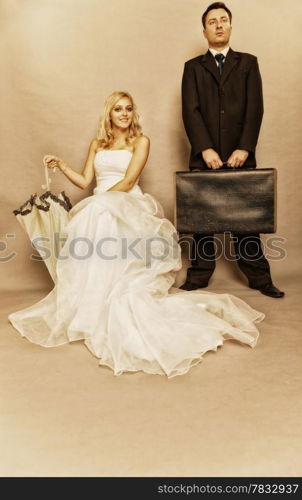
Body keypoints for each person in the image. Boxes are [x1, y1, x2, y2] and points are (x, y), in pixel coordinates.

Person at [8, 91, 265, 378]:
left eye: (128, 109)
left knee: (98, 213)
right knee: (95, 224)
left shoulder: (141, 142)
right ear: (109, 114)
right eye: (118, 109)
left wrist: (98, 201)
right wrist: (62, 165)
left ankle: (123, 301)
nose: (124, 114)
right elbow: (85, 180)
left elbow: (129, 180)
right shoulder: (97, 144)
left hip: (127, 202)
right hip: (101, 204)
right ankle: (92, 306)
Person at [180, 2, 284, 299]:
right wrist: (205, 149)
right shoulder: (192, 68)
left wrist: (244, 148)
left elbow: (255, 108)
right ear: (205, 31)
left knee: (246, 222)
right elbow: (191, 111)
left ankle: (260, 279)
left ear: (230, 26)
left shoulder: (249, 63)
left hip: (240, 155)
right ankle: (198, 277)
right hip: (205, 157)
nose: (219, 25)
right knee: (201, 222)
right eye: (212, 21)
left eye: (223, 20)